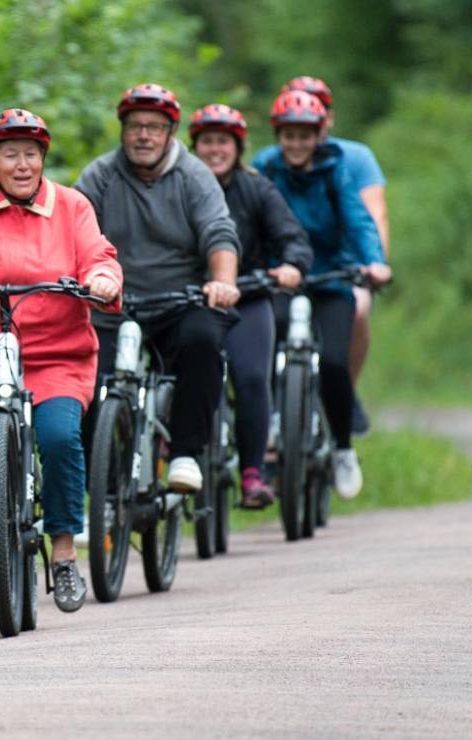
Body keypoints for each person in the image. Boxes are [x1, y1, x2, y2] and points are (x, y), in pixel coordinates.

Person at [0, 109, 122, 612]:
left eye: (31, 154)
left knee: (60, 440)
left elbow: (98, 255)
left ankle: (62, 556)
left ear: (43, 159)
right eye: (10, 154)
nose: (21, 164)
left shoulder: (73, 206)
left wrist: (102, 280)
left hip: (57, 351)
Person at [75, 83, 241, 495]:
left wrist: (222, 282)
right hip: (110, 304)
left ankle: (185, 453)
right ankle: (100, 483)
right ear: (122, 131)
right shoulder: (99, 176)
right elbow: (72, 233)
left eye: (154, 127)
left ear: (171, 133)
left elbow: (219, 233)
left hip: (178, 302)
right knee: (83, 380)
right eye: (135, 127)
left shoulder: (194, 176)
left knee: (204, 341)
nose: (144, 135)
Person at [255, 90, 392, 499]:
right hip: (281, 278)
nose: (297, 144)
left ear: (319, 136)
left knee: (334, 362)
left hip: (332, 277)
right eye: (289, 135)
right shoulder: (265, 169)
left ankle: (343, 448)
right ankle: (275, 420)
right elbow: (247, 216)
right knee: (264, 343)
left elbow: (359, 220)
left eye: (305, 136)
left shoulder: (336, 171)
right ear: (278, 136)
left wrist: (374, 262)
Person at [188, 103, 313, 509]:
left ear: (237, 147)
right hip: (190, 298)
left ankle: (253, 471)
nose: (215, 150)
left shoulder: (257, 188)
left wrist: (291, 266)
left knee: (252, 377)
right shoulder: (180, 184)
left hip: (250, 297)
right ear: (195, 146)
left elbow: (291, 235)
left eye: (223, 141)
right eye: (207, 141)